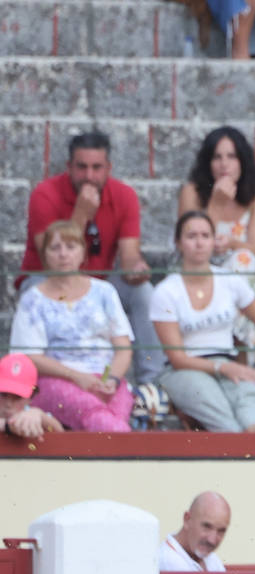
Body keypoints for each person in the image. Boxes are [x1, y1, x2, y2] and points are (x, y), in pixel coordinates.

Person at [19, 130, 164, 384]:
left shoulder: (124, 195)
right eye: (82, 167)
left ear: (108, 168)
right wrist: (81, 214)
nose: (89, 176)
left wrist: (136, 268)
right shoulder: (44, 194)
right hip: (48, 280)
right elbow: (51, 257)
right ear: (69, 167)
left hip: (99, 285)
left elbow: (129, 254)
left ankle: (152, 385)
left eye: (97, 168)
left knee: (143, 293)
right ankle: (35, 384)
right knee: (32, 289)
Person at [150, 210, 255, 432]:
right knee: (223, 419)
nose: (199, 243)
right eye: (192, 237)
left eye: (205, 236)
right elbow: (178, 358)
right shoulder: (166, 291)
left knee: (249, 399)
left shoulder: (229, 281)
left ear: (213, 241)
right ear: (179, 243)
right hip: (184, 371)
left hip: (227, 364)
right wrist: (223, 368)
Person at [10, 219, 135, 432]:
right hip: (56, 381)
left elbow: (123, 346)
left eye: (70, 246)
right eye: (55, 248)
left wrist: (112, 379)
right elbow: (29, 356)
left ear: (83, 253)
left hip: (105, 380)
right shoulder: (33, 300)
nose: (63, 254)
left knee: (113, 415)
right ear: (45, 256)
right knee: (101, 420)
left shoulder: (104, 291)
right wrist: (77, 378)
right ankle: (134, 460)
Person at [177, 126, 255, 354]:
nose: (224, 164)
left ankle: (240, 345)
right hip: (198, 269)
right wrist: (216, 205)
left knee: (243, 259)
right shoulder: (192, 191)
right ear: (208, 163)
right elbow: (190, 241)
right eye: (217, 157)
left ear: (242, 161)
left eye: (231, 157)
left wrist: (231, 244)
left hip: (240, 276)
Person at [159, 491, 231, 572]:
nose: (212, 540)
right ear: (187, 519)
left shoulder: (211, 559)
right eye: (207, 526)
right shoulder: (168, 562)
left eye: (221, 531)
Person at [0, 352, 62, 444]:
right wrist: (8, 426)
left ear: (31, 397)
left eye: (18, 397)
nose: (9, 404)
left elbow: (60, 432)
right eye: (3, 394)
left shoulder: (31, 413)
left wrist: (40, 415)